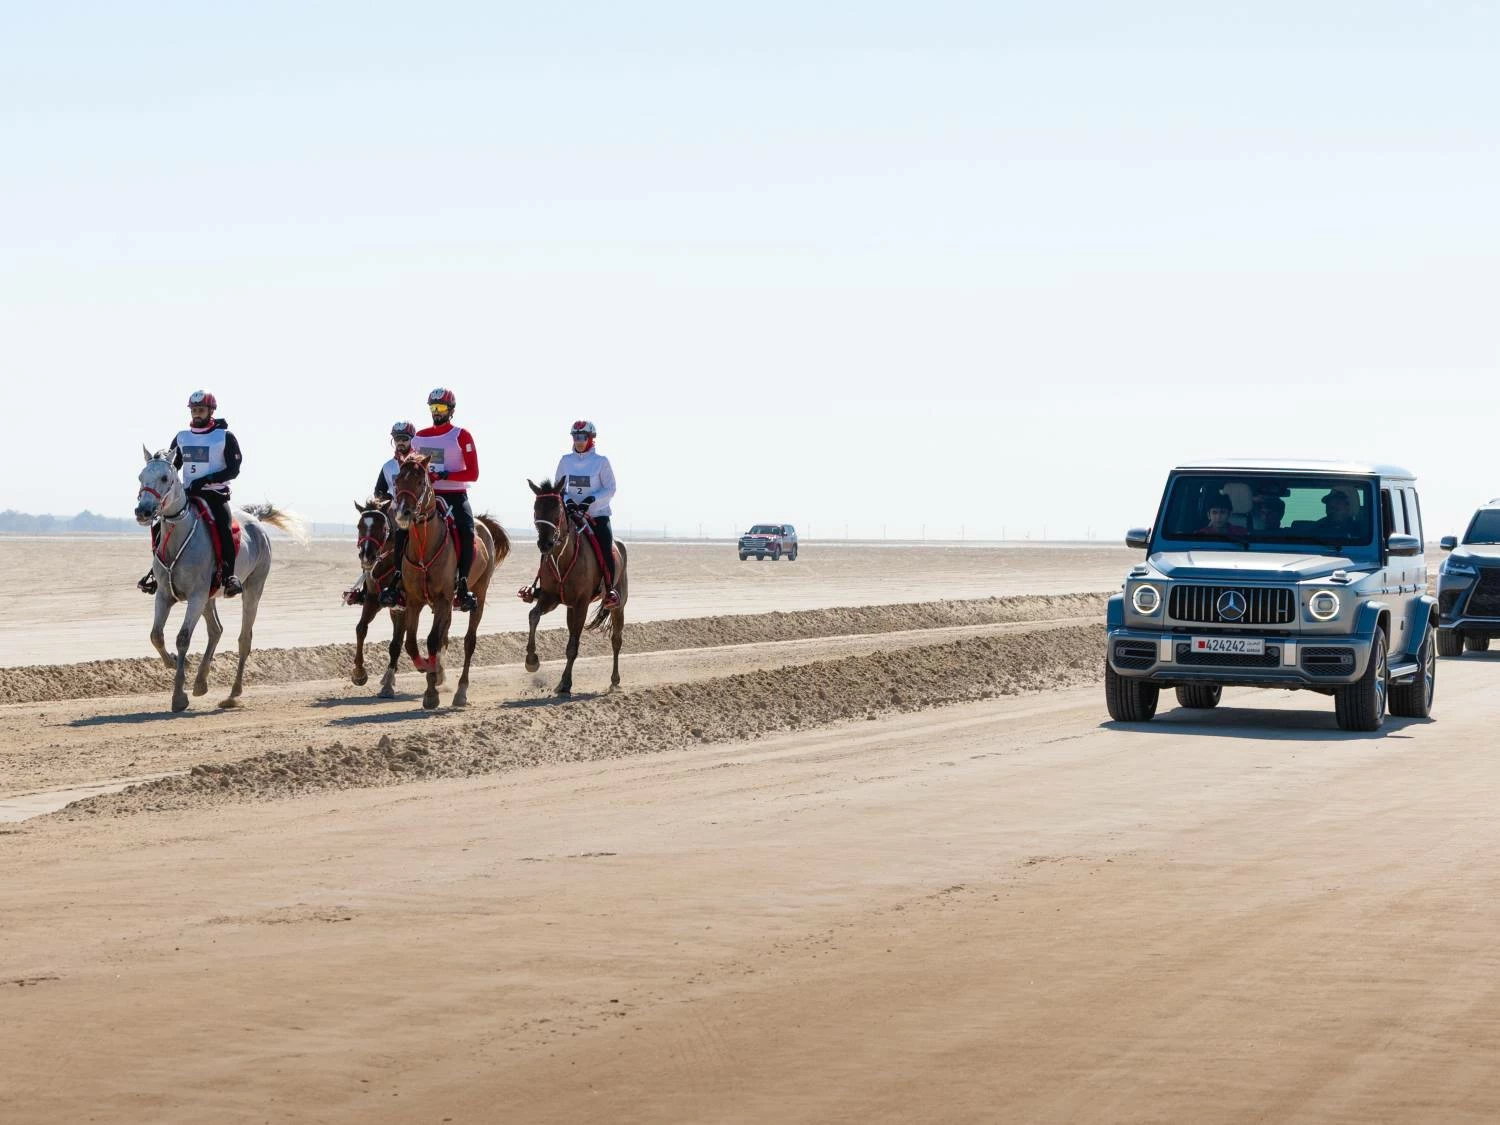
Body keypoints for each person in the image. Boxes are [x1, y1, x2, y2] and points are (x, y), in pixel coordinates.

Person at [137, 390, 243, 597]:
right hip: (187, 494)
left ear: (211, 411)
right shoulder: (182, 437)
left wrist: (206, 480)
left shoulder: (224, 437)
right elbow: (172, 466)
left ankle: (229, 576)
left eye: (201, 410)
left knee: (223, 525)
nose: (196, 414)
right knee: (160, 524)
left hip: (214, 494)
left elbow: (234, 469)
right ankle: (156, 572)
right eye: (194, 410)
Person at [412, 388, 480, 611]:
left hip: (455, 496)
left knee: (467, 531)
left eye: (440, 408)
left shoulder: (461, 435)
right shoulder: (419, 436)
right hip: (427, 496)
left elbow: (473, 473)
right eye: (433, 408)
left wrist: (444, 475)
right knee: (400, 528)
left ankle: (462, 584)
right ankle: (396, 581)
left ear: (451, 410)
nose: (436, 412)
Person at [344, 422, 415, 606]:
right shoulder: (388, 466)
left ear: (412, 441)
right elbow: (379, 491)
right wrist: (383, 501)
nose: (400, 442)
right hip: (392, 513)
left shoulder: (417, 463)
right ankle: (366, 589)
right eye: (397, 439)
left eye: (404, 439)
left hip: (414, 511)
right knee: (373, 539)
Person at [553, 419, 620, 608]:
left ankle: (610, 590)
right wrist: (568, 502)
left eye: (583, 437)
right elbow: (558, 488)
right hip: (571, 514)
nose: (579, 441)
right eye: (575, 437)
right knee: (550, 541)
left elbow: (610, 488)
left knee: (606, 547)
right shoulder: (565, 461)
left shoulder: (601, 462)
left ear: (591, 438)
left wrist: (591, 500)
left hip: (597, 515)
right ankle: (540, 586)